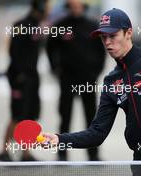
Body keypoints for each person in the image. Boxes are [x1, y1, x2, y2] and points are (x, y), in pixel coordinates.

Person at [42, 8, 141, 175]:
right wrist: (60, 139)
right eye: (104, 38)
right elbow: (97, 133)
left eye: (113, 36)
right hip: (140, 161)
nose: (108, 42)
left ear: (128, 33)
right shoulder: (111, 81)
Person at [46, 0, 105, 161]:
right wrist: (55, 68)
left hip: (88, 79)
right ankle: (62, 152)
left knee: (91, 116)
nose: (76, 8)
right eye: (73, 5)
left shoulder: (92, 25)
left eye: (79, 5)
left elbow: (101, 50)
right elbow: (50, 47)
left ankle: (93, 154)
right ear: (69, 7)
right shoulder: (60, 25)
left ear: (83, 7)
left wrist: (96, 71)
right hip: (67, 78)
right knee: (65, 115)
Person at [0, 0, 50, 161]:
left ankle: (26, 153)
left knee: (29, 116)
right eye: (47, 7)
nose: (48, 10)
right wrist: (19, 76)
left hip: (32, 77)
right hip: (20, 78)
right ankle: (4, 151)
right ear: (40, 7)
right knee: (17, 115)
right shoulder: (22, 25)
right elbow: (14, 53)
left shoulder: (38, 26)